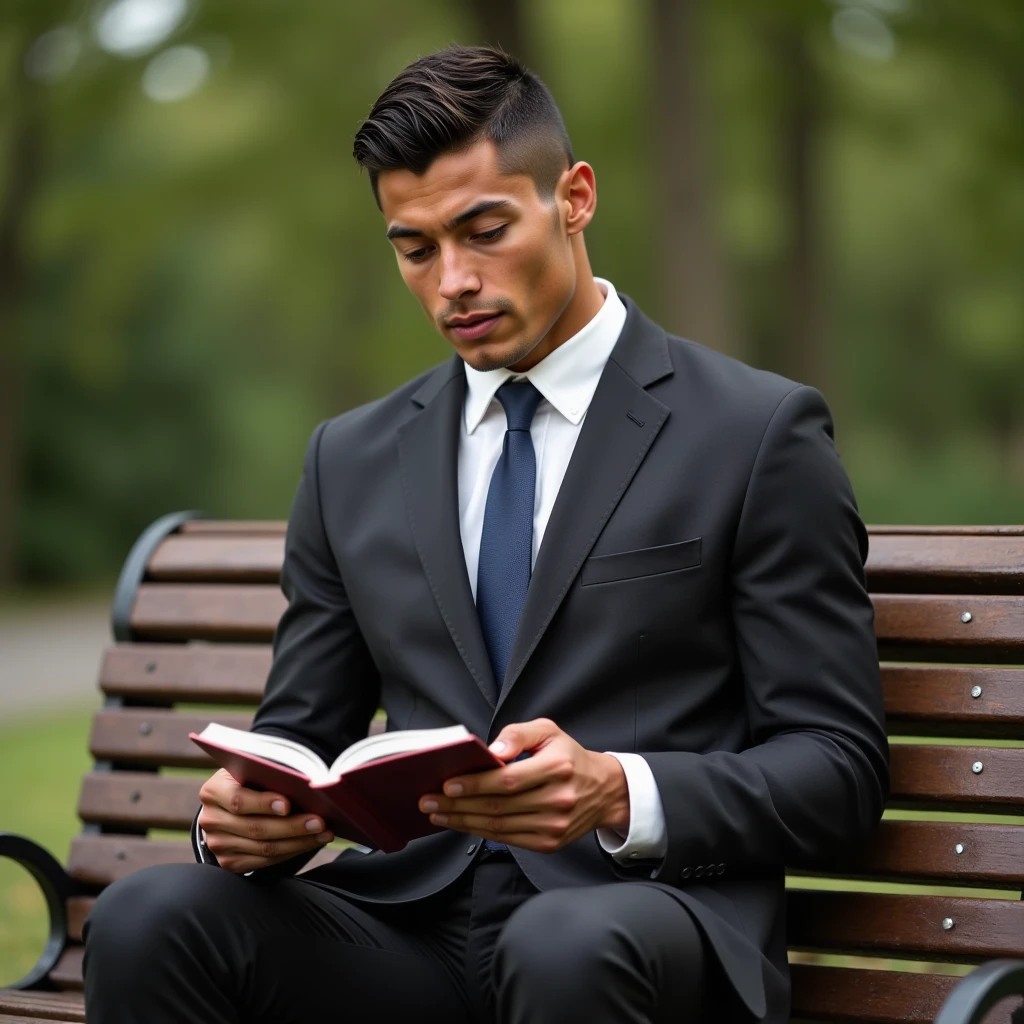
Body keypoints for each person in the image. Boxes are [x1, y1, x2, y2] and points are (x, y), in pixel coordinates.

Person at [83, 44, 889, 1024]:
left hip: (636, 924)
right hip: (406, 928)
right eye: (415, 249)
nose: (452, 281)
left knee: (565, 947)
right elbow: (302, 731)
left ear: (575, 197)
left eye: (484, 229)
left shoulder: (756, 434)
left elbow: (838, 767)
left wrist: (616, 791)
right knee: (147, 916)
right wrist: (249, 819)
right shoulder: (350, 456)